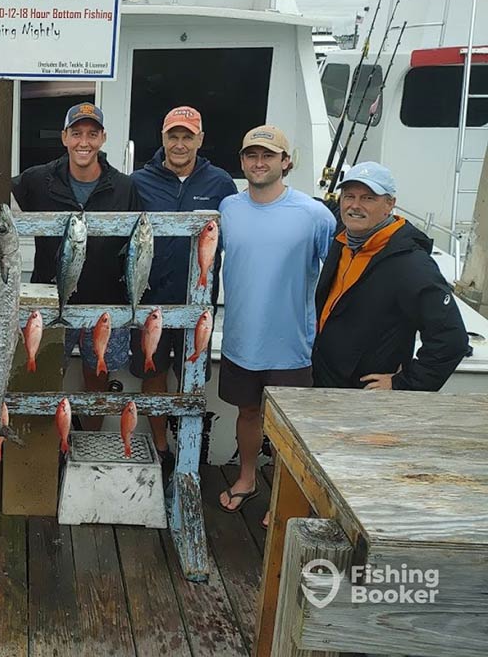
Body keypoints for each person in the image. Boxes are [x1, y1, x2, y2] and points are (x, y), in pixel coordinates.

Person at [217, 125, 335, 513]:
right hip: (240, 340)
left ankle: (285, 497)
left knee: (290, 428)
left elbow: (335, 273)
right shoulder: (228, 209)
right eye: (252, 155)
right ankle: (247, 478)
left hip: (292, 345)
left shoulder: (315, 214)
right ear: (242, 162)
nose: (259, 162)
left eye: (268, 155)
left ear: (286, 162)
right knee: (247, 413)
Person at [12, 103, 140, 417]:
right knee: (41, 377)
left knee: (97, 379)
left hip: (105, 301)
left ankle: (85, 446)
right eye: (77, 133)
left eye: (92, 134)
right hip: (49, 300)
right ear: (64, 137)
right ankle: (44, 457)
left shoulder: (124, 186)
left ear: (103, 138)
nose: (84, 141)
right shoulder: (37, 179)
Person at [129, 106, 236, 479]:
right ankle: (161, 449)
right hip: (150, 300)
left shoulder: (221, 183)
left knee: (191, 373)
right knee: (152, 372)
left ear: (200, 140)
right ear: (162, 138)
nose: (179, 143)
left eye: (187, 136)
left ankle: (188, 452)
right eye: (173, 135)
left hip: (199, 304)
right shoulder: (138, 181)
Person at [313, 162, 468, 390]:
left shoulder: (411, 265)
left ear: (390, 205)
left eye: (368, 198)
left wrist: (402, 384)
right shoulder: (343, 241)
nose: (355, 205)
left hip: (363, 396)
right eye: (349, 196)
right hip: (324, 380)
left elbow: (451, 340)